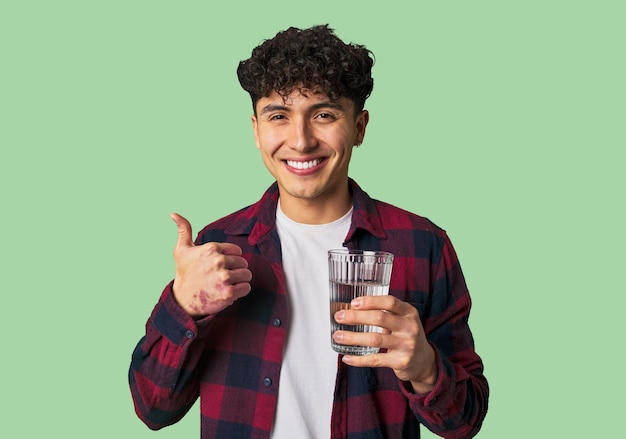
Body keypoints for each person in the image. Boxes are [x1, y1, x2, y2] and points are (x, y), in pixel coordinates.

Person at [129, 24, 489, 439]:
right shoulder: (218, 248)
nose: (300, 140)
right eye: (278, 116)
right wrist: (183, 305)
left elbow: (465, 421)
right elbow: (153, 408)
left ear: (359, 126)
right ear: (256, 130)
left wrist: (425, 366)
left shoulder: (423, 246)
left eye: (324, 114)